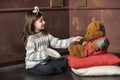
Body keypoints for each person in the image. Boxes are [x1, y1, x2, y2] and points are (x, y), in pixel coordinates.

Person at [22, 6, 83, 75]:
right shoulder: (31, 38)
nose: (44, 22)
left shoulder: (45, 34)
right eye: (41, 21)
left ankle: (55, 68)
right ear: (33, 23)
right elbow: (30, 55)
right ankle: (55, 69)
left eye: (43, 20)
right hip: (34, 65)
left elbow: (57, 42)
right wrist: (45, 53)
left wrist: (72, 40)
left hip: (46, 61)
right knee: (47, 69)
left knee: (65, 60)